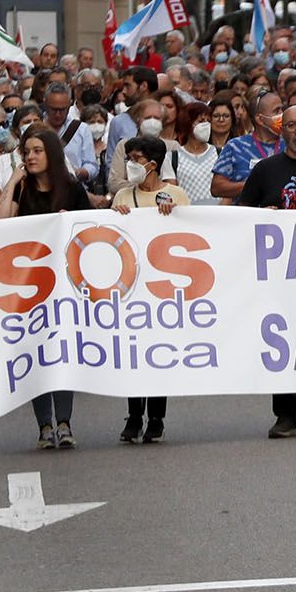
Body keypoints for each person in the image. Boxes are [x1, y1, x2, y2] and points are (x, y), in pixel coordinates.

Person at [0, 126, 91, 450]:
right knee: (37, 354)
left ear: (51, 153)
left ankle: (64, 422)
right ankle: (44, 426)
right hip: (30, 287)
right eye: (26, 152)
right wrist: (12, 182)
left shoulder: (73, 190)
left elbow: (91, 231)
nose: (31, 157)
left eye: (37, 150)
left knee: (62, 353)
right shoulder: (22, 189)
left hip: (65, 285)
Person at [113, 135, 190, 444]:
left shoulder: (176, 195)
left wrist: (175, 216)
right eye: (129, 157)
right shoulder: (122, 196)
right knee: (133, 352)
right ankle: (133, 415)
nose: (130, 164)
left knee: (159, 353)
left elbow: (189, 234)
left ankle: (156, 416)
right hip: (132, 286)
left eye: (135, 158)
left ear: (153, 164)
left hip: (163, 287)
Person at [210, 90, 282, 200]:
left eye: (282, 109)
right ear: (260, 119)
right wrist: (253, 185)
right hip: (247, 215)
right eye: (277, 111)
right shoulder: (235, 146)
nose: (282, 115)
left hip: (284, 215)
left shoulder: (290, 145)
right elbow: (217, 188)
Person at [172, 100, 220, 202]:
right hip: (188, 216)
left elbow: (227, 192)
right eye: (201, 121)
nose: (206, 125)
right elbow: (172, 193)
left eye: (208, 120)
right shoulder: (172, 158)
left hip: (217, 215)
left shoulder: (220, 153)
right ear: (188, 123)